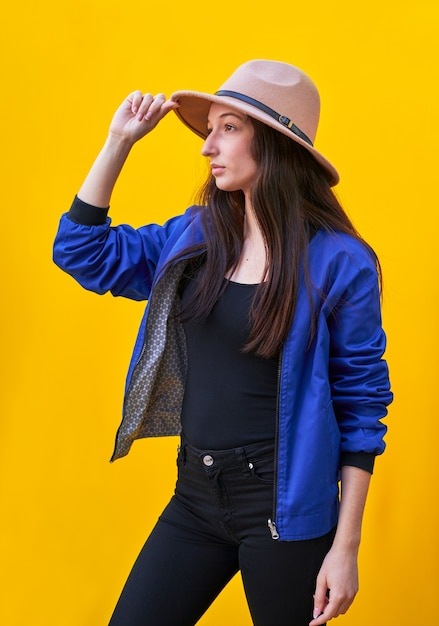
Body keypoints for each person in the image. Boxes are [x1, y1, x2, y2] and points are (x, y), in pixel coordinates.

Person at [53, 60, 392, 626]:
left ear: (278, 146)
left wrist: (346, 548)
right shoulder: (196, 235)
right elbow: (82, 254)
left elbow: (362, 408)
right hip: (197, 493)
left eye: (227, 128)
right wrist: (118, 143)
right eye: (209, 129)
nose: (208, 146)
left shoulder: (339, 261)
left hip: (283, 508)